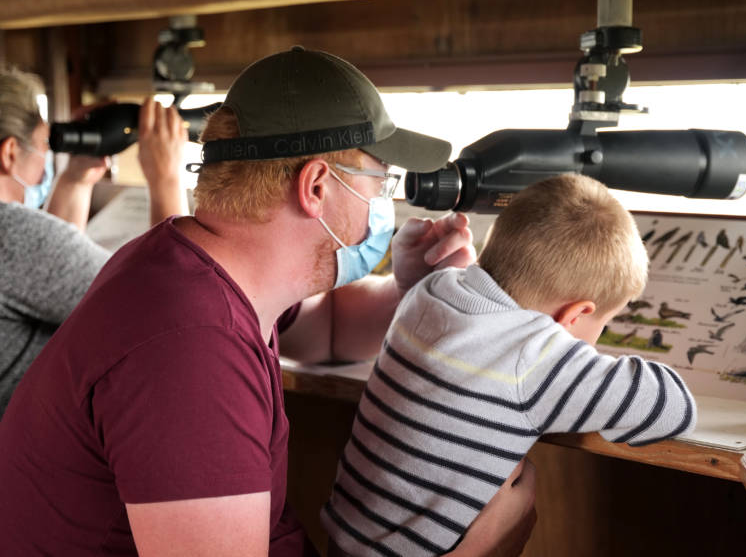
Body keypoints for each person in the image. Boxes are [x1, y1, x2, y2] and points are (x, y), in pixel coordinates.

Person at [0, 47, 534, 556]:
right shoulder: (191, 350)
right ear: (317, 187)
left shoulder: (199, 266)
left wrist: (412, 290)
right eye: (380, 180)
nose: (382, 203)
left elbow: (325, 330)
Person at [323, 174, 698, 556]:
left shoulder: (431, 290)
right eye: (602, 323)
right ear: (576, 314)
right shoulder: (535, 356)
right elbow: (673, 407)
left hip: (340, 540)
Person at [0, 64, 188, 416]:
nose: (45, 164)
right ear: (10, 153)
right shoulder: (12, 233)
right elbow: (167, 308)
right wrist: (166, 179)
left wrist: (75, 179)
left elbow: (44, 280)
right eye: (45, 145)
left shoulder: (19, 243)